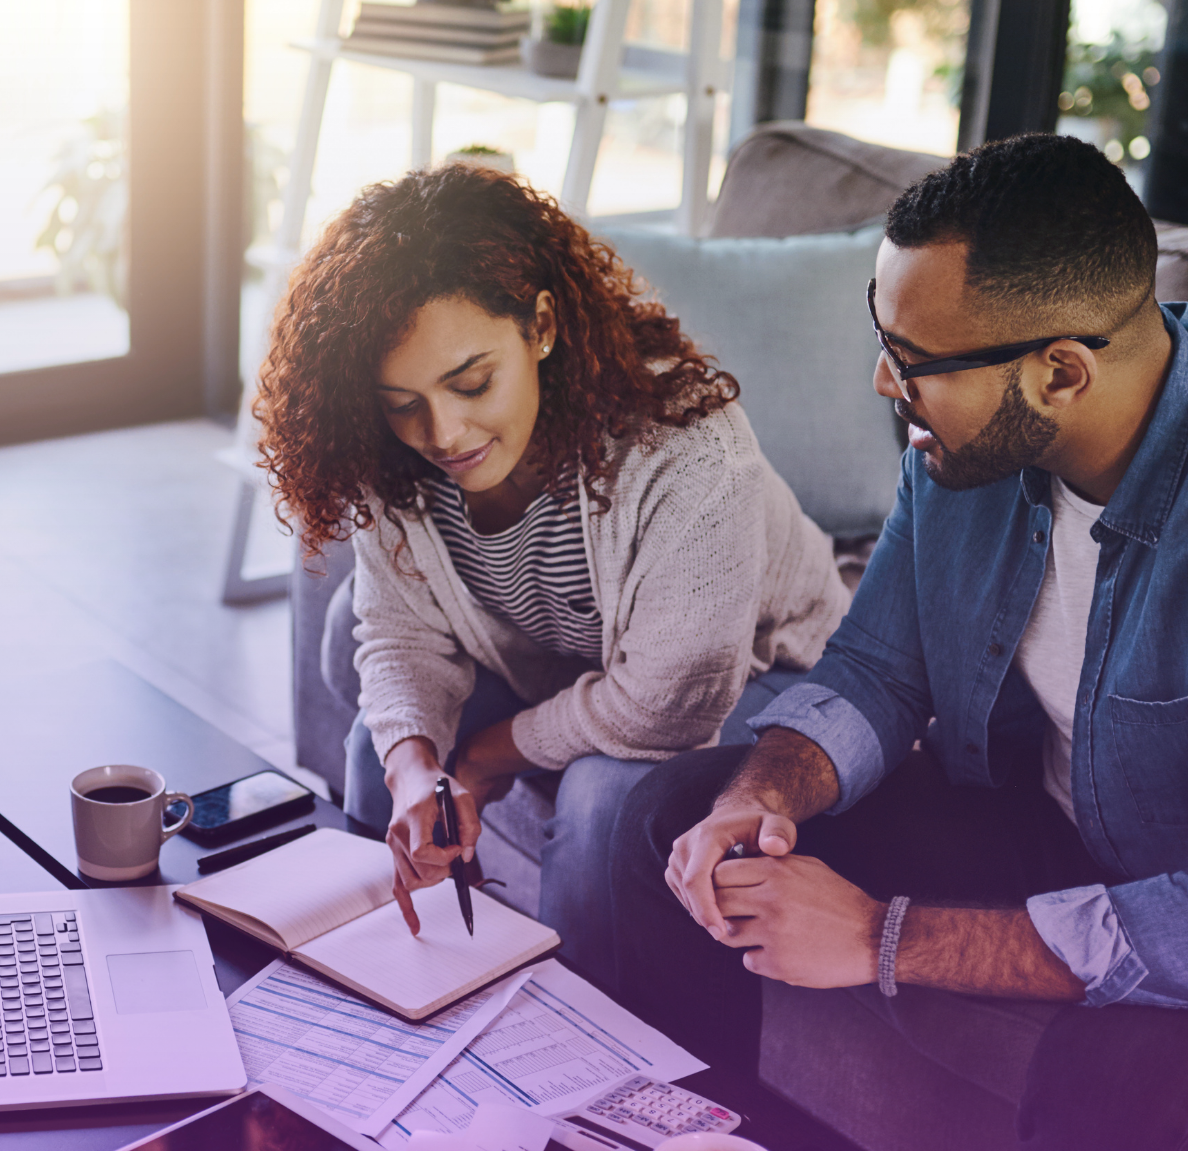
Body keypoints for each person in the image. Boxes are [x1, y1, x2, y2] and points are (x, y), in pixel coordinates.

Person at [607, 132, 1188, 1151]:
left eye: (912, 355)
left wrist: (877, 936)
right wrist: (765, 792)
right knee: (668, 823)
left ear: (1059, 370)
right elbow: (878, 671)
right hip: (1043, 823)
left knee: (1112, 1100)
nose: (883, 382)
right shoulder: (966, 448)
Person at [254, 163, 848, 982]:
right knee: (377, 748)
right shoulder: (395, 453)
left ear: (539, 325)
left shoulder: (690, 451)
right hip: (572, 662)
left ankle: (596, 1065)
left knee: (605, 801)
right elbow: (396, 631)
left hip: (765, 671)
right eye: (404, 402)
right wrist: (417, 767)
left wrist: (486, 757)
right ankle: (384, 995)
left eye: (472, 382)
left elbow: (661, 707)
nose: (444, 431)